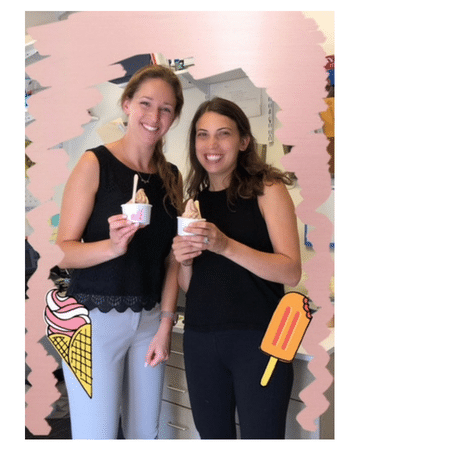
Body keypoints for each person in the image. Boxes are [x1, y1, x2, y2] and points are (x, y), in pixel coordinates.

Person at [55, 64, 184, 439]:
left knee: (146, 434)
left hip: (150, 323)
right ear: (127, 104)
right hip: (93, 322)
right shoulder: (94, 164)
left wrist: (165, 325)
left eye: (165, 109)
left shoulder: (172, 177)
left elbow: (172, 259)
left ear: (174, 117)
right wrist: (112, 247)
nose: (154, 116)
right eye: (146, 103)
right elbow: (63, 252)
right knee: (95, 435)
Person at [172, 97, 302, 439]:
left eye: (223, 133)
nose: (211, 145)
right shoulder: (194, 201)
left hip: (259, 341)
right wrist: (184, 261)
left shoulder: (268, 189)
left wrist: (225, 245)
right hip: (200, 339)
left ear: (243, 141)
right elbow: (191, 285)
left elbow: (291, 271)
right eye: (202, 134)